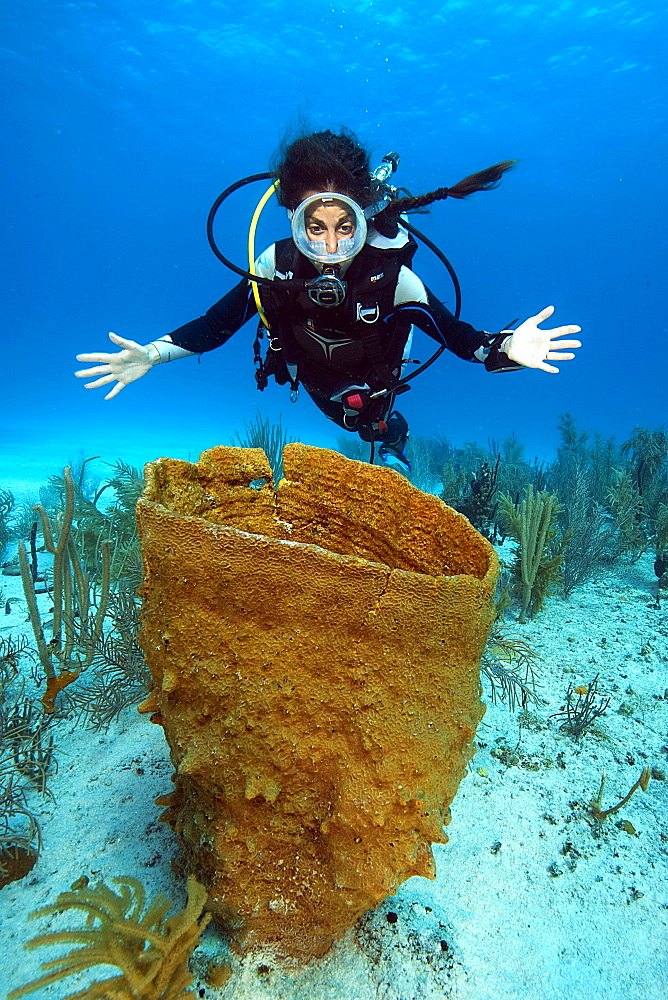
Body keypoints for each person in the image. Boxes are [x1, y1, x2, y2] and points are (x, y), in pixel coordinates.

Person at [75, 129, 581, 470]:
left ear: (363, 221)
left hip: (371, 388)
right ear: (293, 217)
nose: (331, 247)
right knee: (352, 421)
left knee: (379, 431)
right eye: (314, 228)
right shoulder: (276, 266)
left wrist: (509, 349)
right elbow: (216, 325)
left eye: (345, 227)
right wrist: (152, 354)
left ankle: (394, 440)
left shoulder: (394, 281)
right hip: (312, 382)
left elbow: (465, 341)